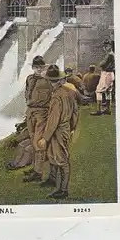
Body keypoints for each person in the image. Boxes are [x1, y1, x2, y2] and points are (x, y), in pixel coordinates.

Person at [37, 65, 79, 199]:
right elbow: (75, 113)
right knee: (55, 155)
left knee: (61, 159)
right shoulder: (68, 92)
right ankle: (54, 181)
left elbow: (53, 120)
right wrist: (72, 128)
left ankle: (63, 190)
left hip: (58, 131)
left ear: (50, 81)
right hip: (65, 129)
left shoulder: (56, 97)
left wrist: (45, 137)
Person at [22, 56, 52, 183]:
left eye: (41, 67)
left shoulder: (48, 79)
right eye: (36, 67)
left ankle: (38, 172)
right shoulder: (29, 78)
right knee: (33, 138)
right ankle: (35, 168)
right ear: (33, 67)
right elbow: (26, 92)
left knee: (38, 141)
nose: (39, 69)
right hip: (30, 111)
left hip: (42, 112)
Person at [91, 39, 115, 115]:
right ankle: (108, 109)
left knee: (98, 91)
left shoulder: (109, 54)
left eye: (107, 46)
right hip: (111, 74)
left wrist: (100, 64)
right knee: (108, 92)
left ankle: (99, 111)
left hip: (106, 74)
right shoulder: (112, 54)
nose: (105, 47)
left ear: (110, 46)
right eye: (104, 46)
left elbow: (102, 64)